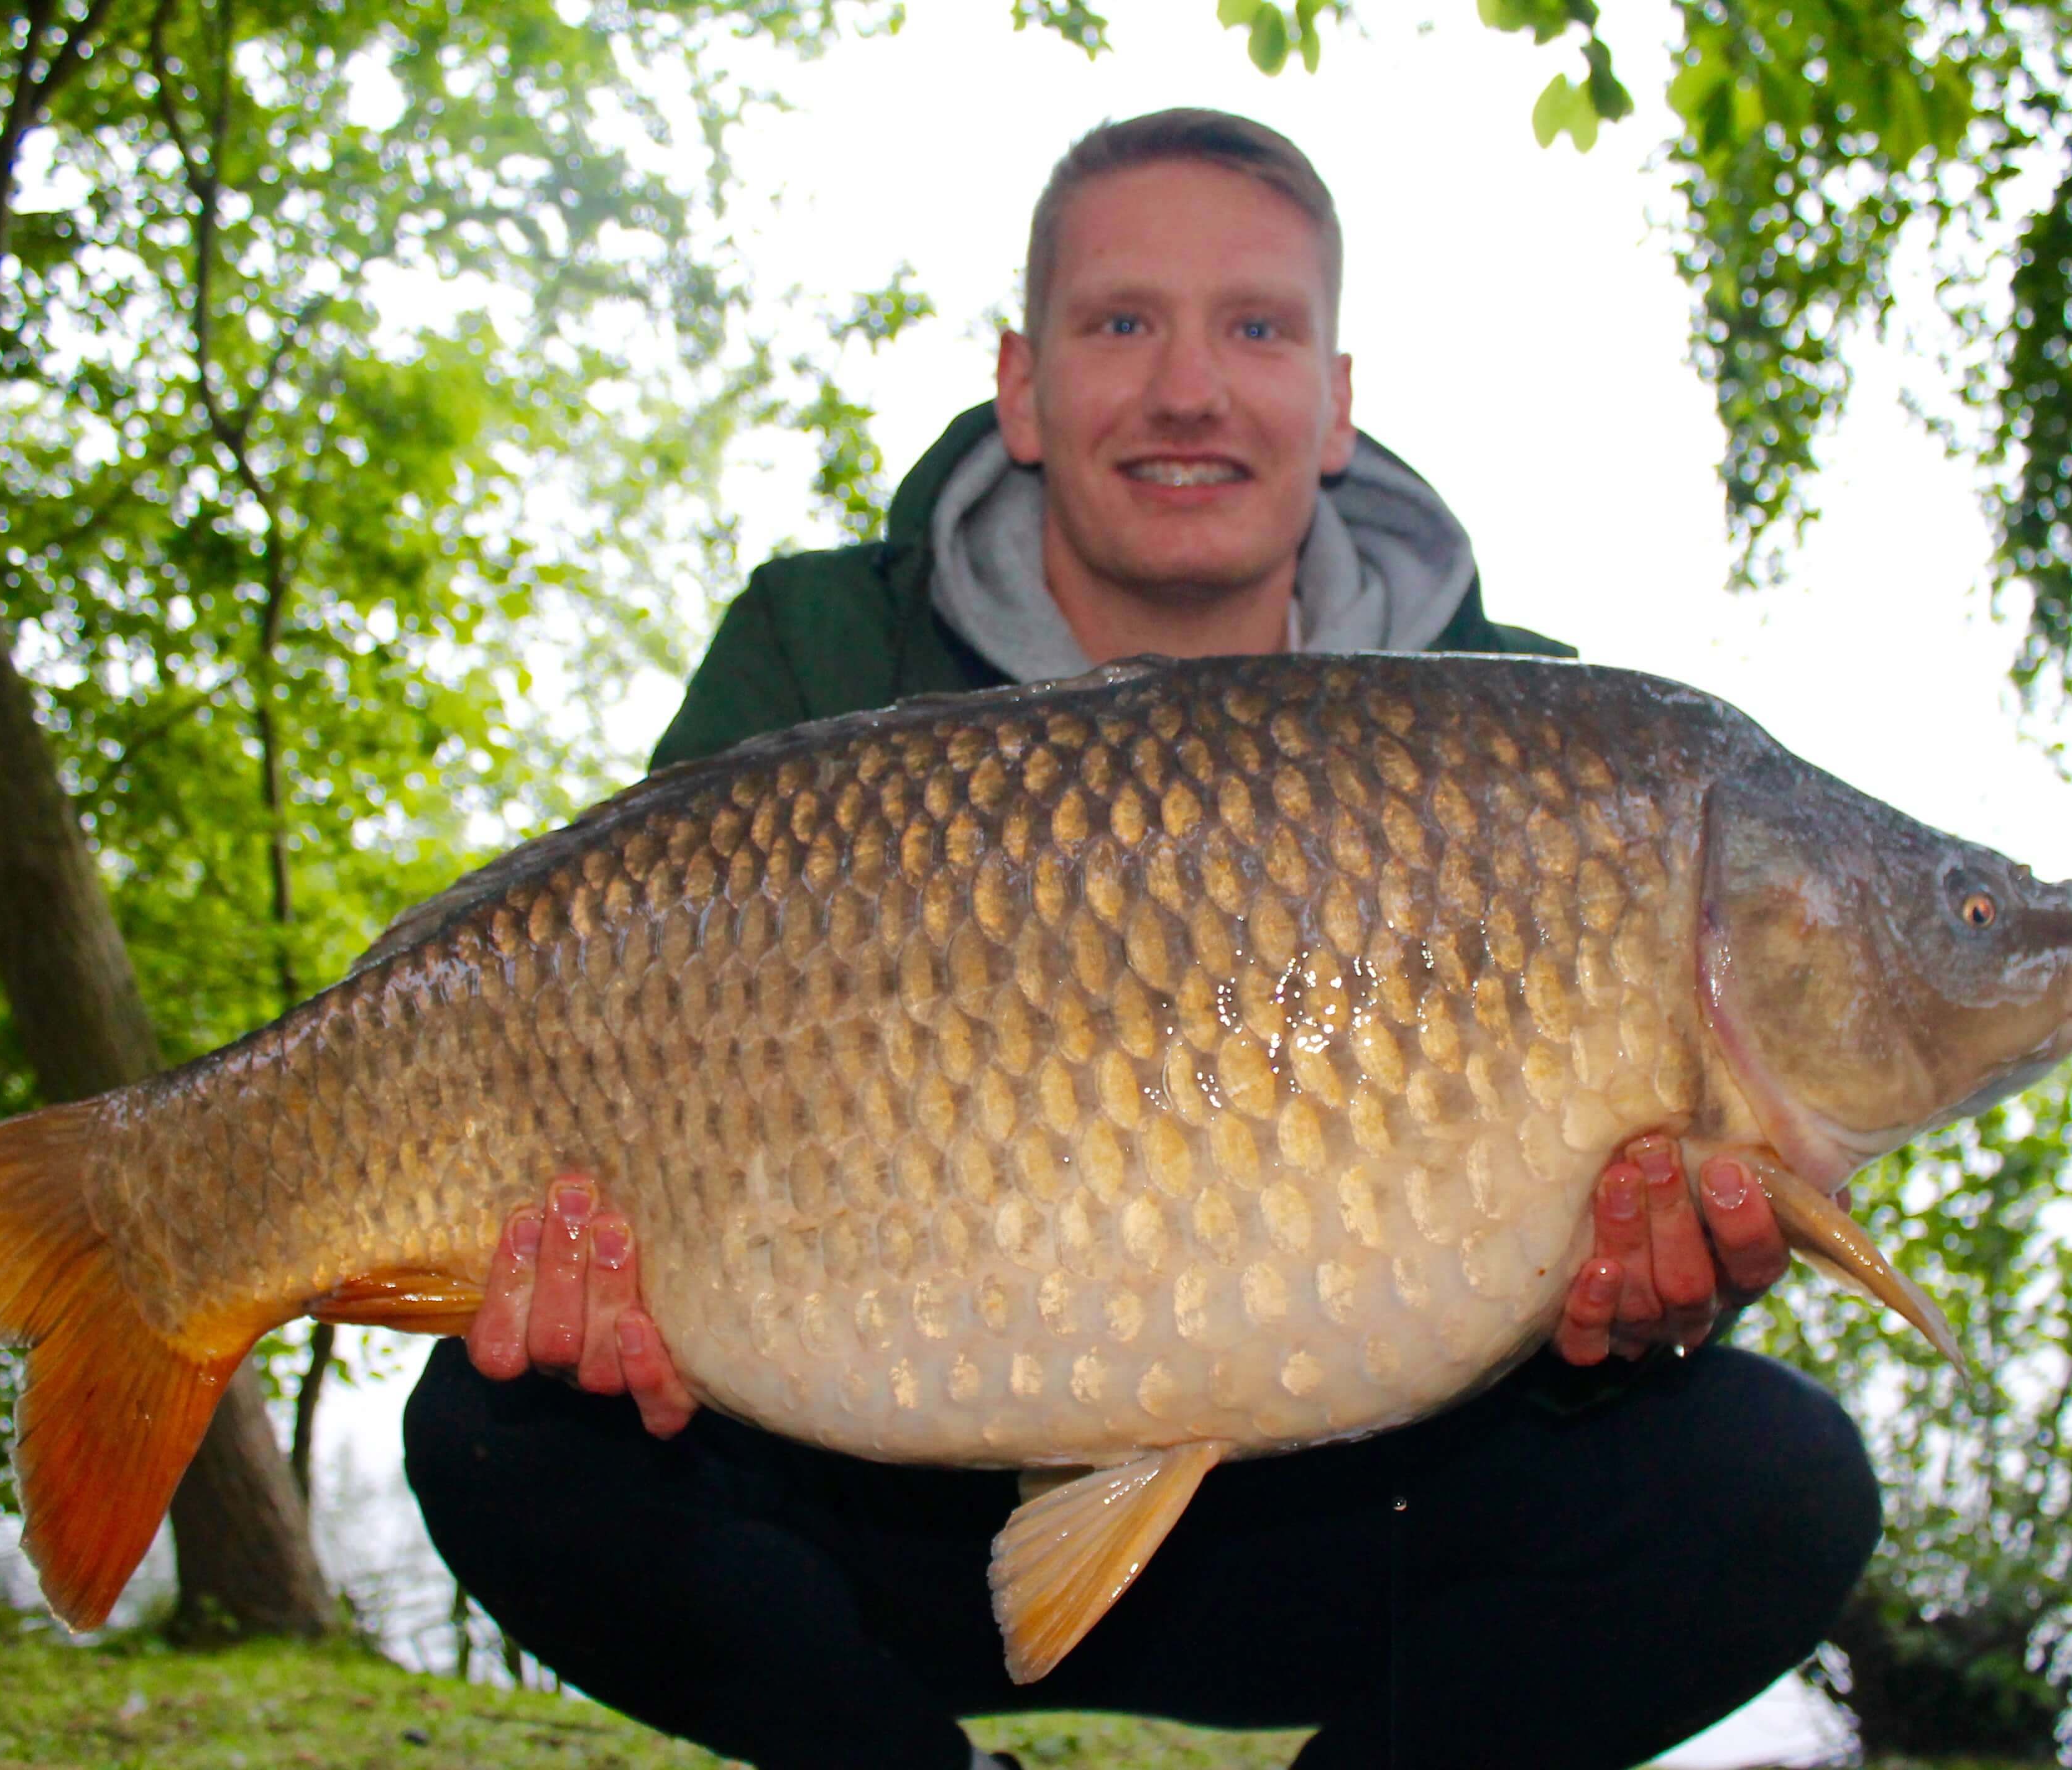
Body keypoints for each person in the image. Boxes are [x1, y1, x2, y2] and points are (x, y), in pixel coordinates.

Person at [405, 109, 1878, 1770]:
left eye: (1256, 328)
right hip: (869, 1483)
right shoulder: (822, 650)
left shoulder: (1545, 746)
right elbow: (596, 1031)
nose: (1189, 389)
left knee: (1775, 1485)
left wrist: (1645, 1315)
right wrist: (598, 1306)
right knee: (505, 1437)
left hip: (1365, 1508)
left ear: (1335, 399)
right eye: (1122, 323)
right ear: (1022, 387)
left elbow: (1606, 1295)